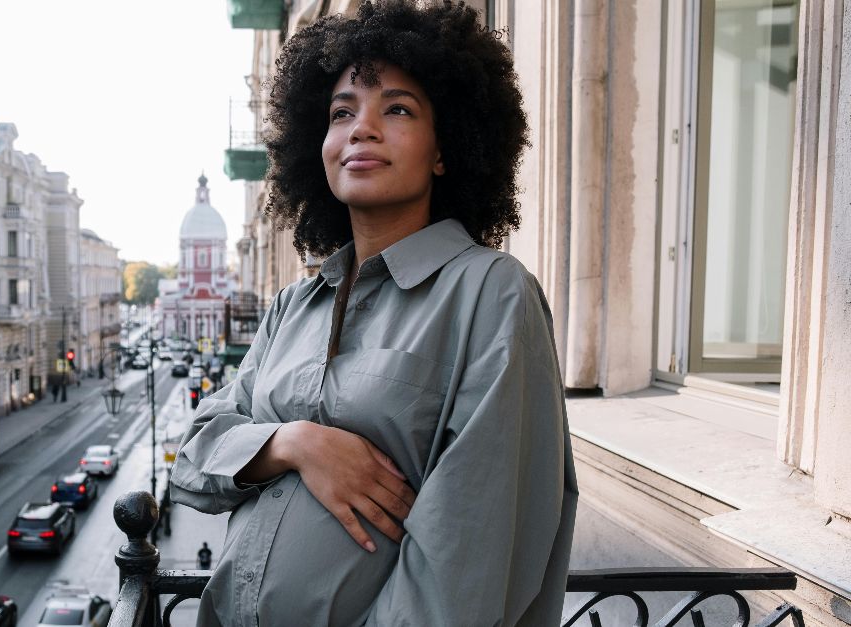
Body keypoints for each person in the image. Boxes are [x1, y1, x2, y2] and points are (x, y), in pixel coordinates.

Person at [170, 3, 577, 626]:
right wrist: (291, 442)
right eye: (342, 112)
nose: (362, 128)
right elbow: (194, 463)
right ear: (321, 146)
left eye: (397, 108)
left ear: (446, 149)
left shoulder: (491, 295)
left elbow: (464, 567)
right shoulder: (292, 306)